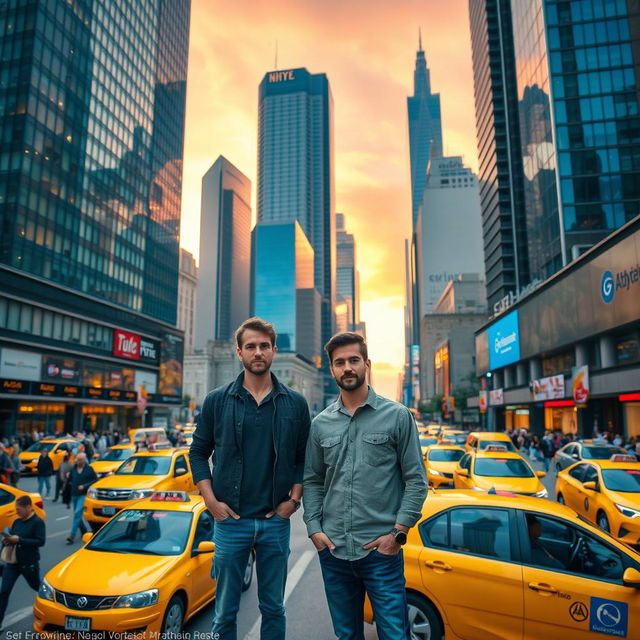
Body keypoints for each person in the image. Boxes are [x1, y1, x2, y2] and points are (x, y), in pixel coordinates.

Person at [189, 317, 311, 640]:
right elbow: (198, 453)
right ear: (239, 353)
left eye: (264, 346)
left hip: (275, 521)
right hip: (231, 521)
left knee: (273, 609)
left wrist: (294, 500)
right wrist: (211, 501)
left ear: (274, 350)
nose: (258, 352)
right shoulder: (217, 401)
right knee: (224, 612)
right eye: (251, 346)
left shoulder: (295, 404)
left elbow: (303, 458)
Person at [303, 332, 428, 640]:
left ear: (367, 364)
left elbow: (416, 480)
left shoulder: (397, 416)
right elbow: (313, 480)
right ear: (331, 369)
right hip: (334, 552)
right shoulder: (320, 424)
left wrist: (397, 534)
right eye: (340, 362)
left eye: (353, 360)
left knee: (395, 635)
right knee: (346, 636)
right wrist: (314, 528)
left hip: (381, 554)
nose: (347, 368)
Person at [0, 495, 46, 627]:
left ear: (28, 507)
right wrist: (7, 540)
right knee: (4, 591)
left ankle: (52, 609)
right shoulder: (17, 521)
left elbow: (40, 541)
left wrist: (19, 540)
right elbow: (13, 537)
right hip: (13, 563)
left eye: (19, 509)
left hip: (28, 563)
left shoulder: (37, 522)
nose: (17, 511)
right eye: (16, 509)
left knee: (38, 587)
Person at [66, 452, 97, 544]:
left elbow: (95, 480)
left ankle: (72, 535)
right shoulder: (74, 468)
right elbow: (69, 480)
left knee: (77, 513)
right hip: (74, 494)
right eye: (77, 459)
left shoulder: (89, 469)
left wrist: (85, 486)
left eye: (80, 460)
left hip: (83, 494)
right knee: (77, 514)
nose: (78, 461)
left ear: (84, 460)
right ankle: (84, 530)